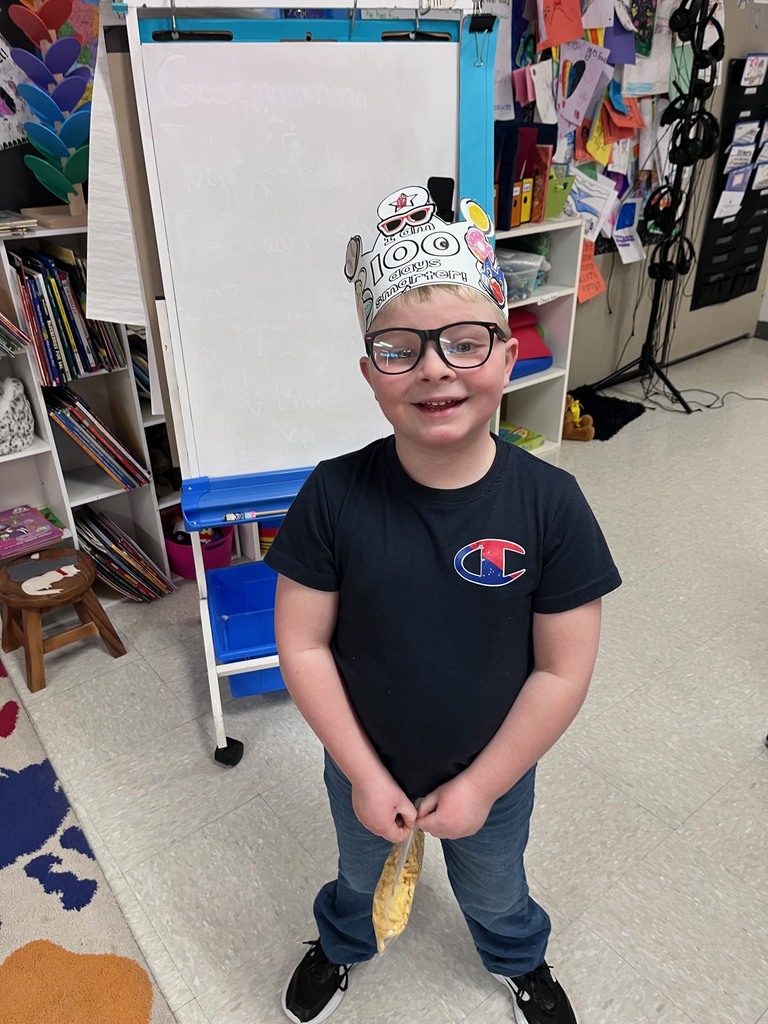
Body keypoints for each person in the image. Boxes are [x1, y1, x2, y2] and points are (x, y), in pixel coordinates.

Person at [264, 185, 621, 1024]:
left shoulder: (553, 506)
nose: (435, 367)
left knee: (495, 887)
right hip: (363, 758)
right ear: (370, 373)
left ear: (508, 357)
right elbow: (303, 646)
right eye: (400, 350)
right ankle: (342, 944)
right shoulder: (333, 495)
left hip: (495, 767)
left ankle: (518, 958)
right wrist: (363, 773)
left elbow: (563, 672)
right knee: (357, 877)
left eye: (465, 343)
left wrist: (485, 785)